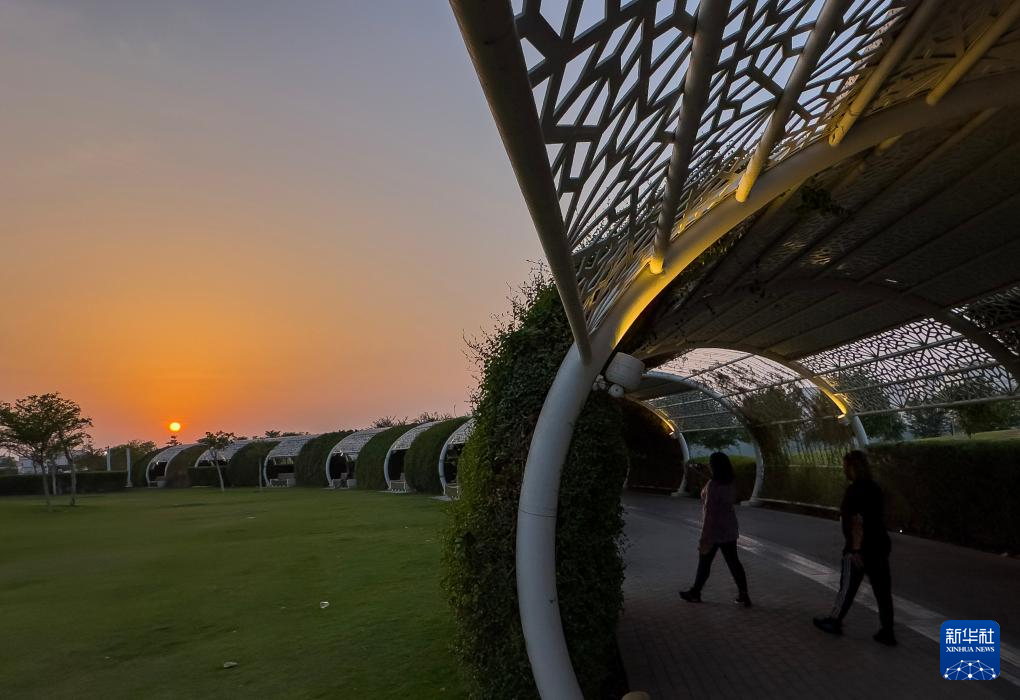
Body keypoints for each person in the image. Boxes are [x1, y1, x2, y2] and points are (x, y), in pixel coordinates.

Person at [813, 450, 896, 646]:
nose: (843, 469)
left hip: (860, 549)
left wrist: (855, 550)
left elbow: (857, 521)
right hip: (880, 545)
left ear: (851, 468)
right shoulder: (875, 488)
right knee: (883, 591)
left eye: (845, 466)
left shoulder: (854, 491)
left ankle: (834, 621)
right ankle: (887, 631)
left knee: (847, 587)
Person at [679, 452, 751, 606]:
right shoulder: (730, 482)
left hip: (714, 531)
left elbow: (710, 513)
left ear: (715, 467)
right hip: (729, 528)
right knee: (733, 562)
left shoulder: (713, 486)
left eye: (710, 464)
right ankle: (744, 594)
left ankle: (695, 593)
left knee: (704, 562)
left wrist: (705, 536)